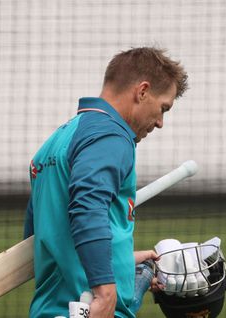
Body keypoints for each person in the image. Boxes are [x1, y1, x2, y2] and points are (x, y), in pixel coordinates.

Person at [23, 47, 188, 318]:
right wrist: (105, 290)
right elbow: (87, 208)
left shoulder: (58, 140)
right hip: (88, 309)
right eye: (163, 108)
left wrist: (121, 262)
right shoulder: (111, 136)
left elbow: (40, 237)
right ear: (142, 91)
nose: (160, 123)